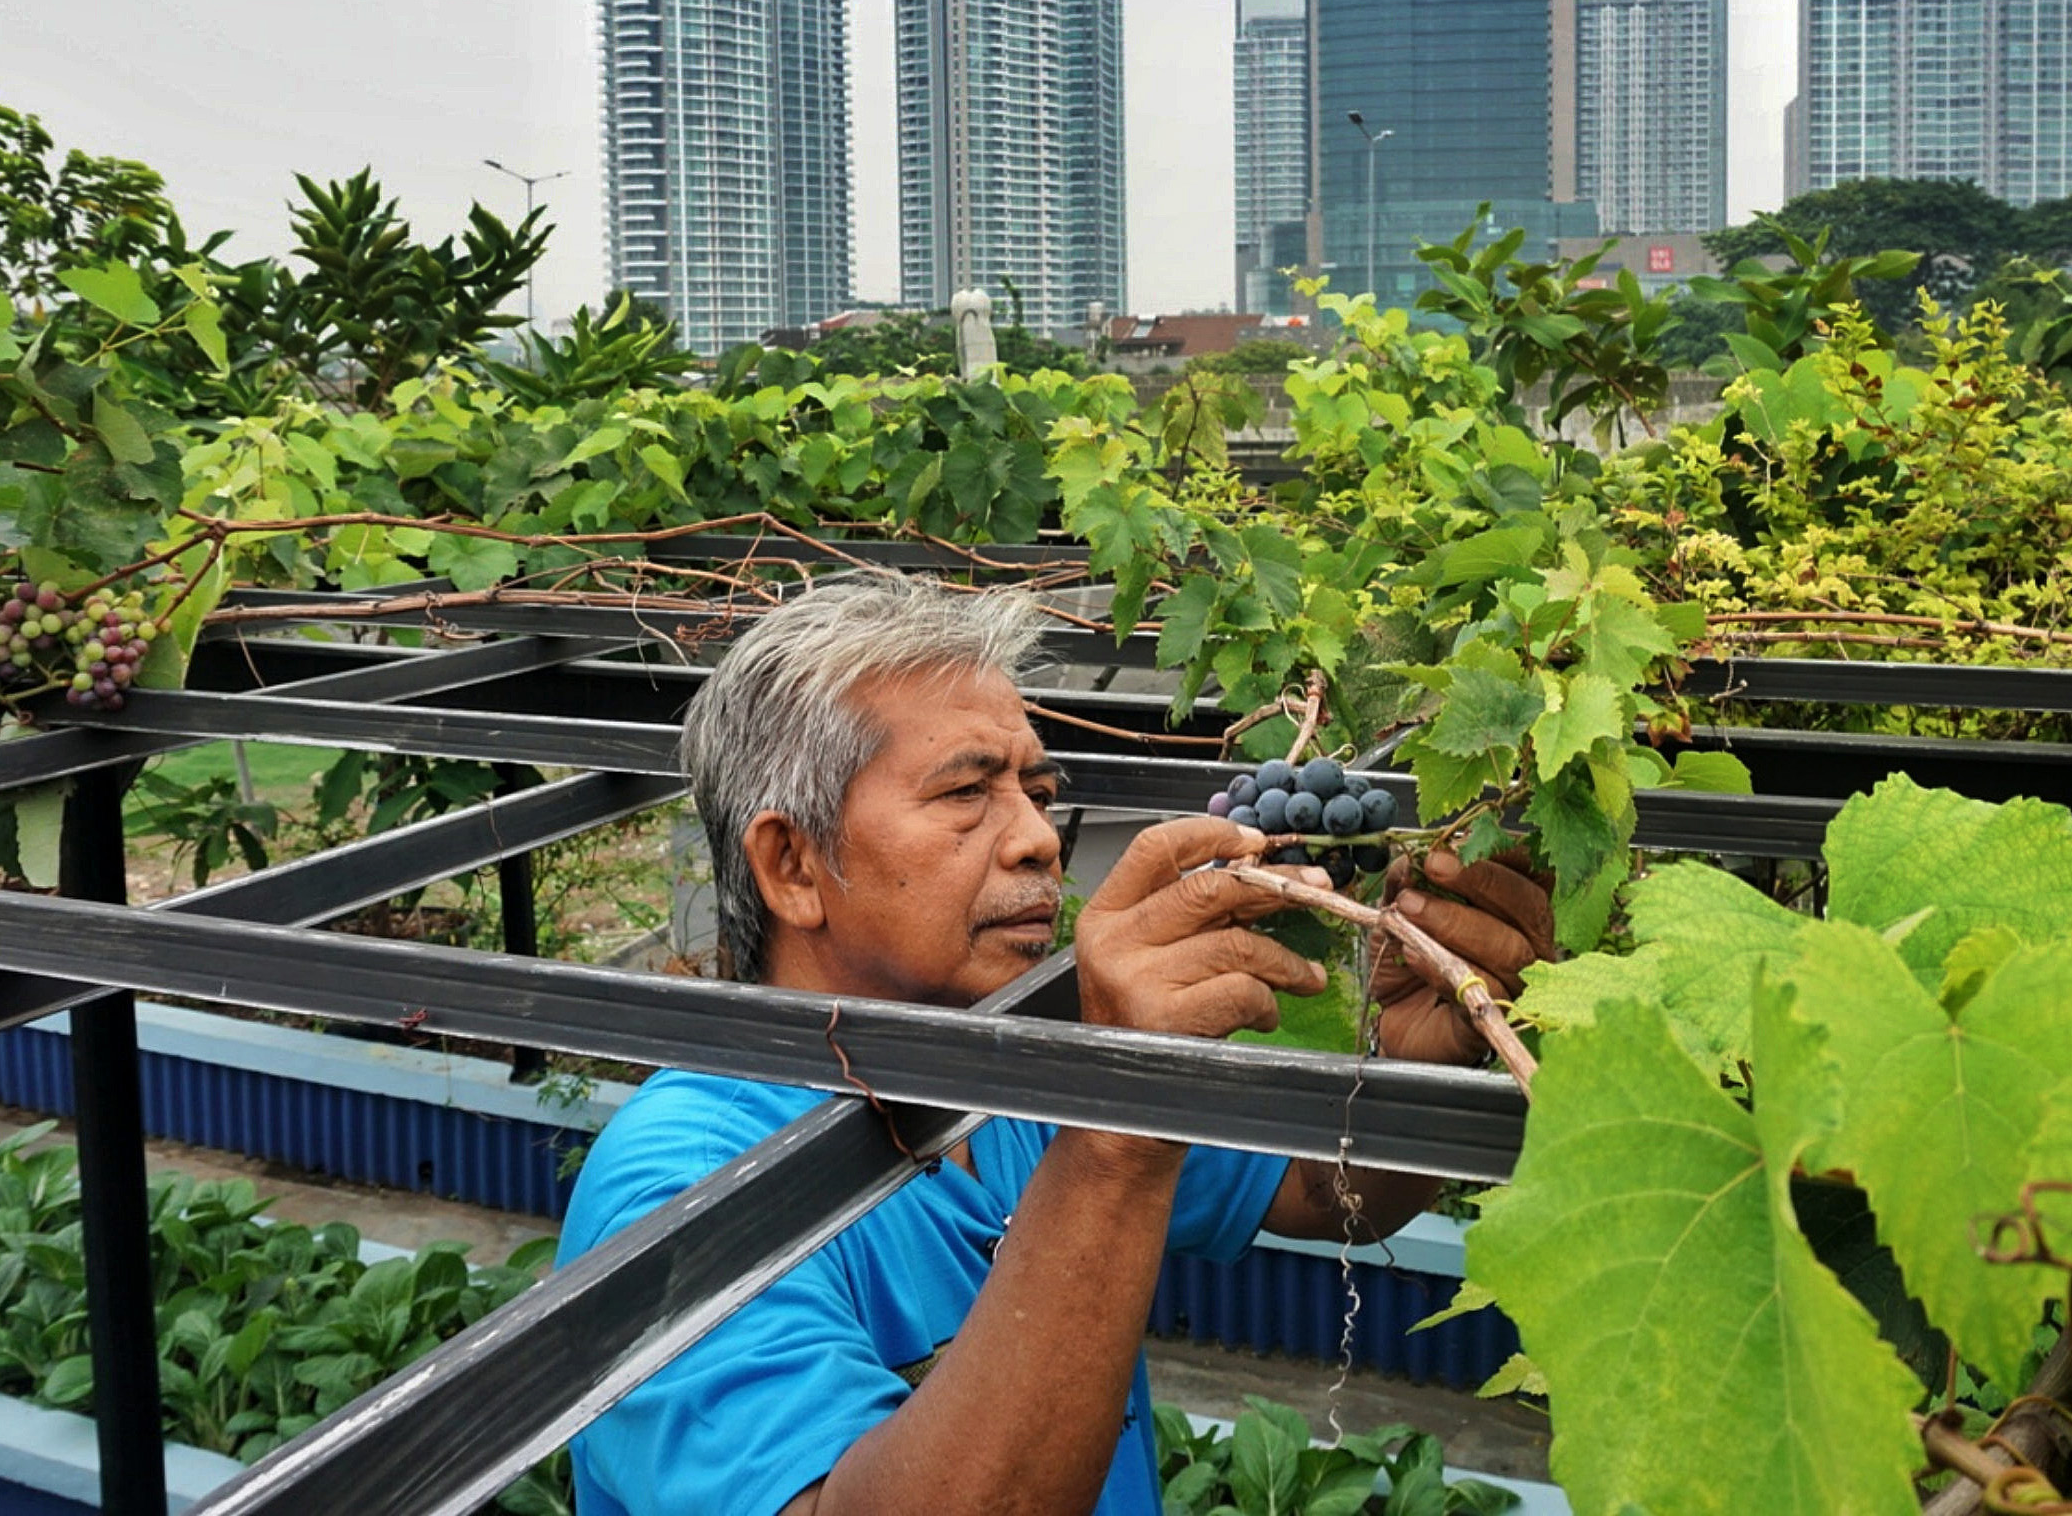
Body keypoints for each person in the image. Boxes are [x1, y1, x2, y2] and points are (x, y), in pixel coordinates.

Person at [557, 575, 1554, 1516]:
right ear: (794, 865)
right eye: (967, 791)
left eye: (1037, 788)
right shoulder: (677, 1183)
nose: (1038, 834)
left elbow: (1320, 1189)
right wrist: (1119, 1131)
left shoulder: (1018, 1067)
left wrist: (1418, 1056)